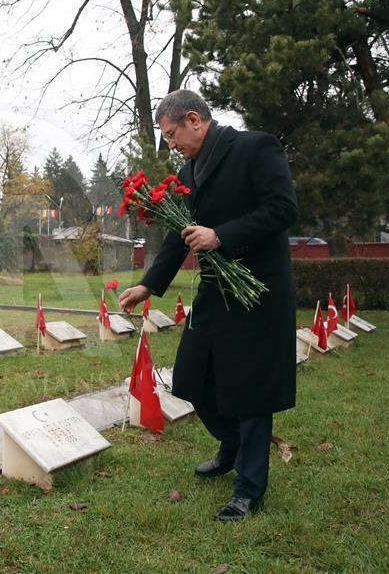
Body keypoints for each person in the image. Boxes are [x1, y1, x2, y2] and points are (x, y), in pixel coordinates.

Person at [119, 89, 298, 521]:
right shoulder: (189, 169)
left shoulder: (255, 147)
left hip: (258, 288)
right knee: (191, 377)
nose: (170, 143)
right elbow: (179, 233)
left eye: (171, 133)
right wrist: (148, 285)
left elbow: (283, 209)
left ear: (194, 119)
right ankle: (233, 443)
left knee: (252, 390)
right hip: (217, 289)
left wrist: (221, 235)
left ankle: (249, 488)